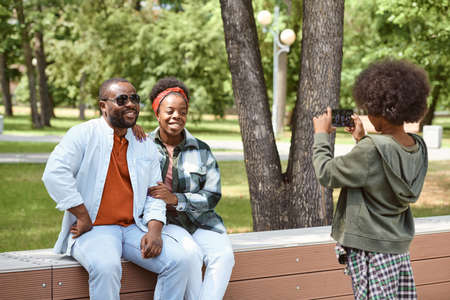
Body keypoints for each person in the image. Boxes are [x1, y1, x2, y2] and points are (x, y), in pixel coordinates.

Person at [42, 78, 189, 300]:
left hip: (133, 227)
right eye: (122, 99)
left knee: (180, 261)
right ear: (103, 105)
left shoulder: (143, 143)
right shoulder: (83, 134)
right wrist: (81, 214)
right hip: (94, 229)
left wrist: (155, 231)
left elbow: (155, 193)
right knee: (107, 266)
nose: (130, 104)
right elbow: (54, 173)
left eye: (134, 99)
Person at [312, 59, 430, 299]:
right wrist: (361, 139)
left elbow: (327, 173)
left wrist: (321, 136)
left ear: (381, 111)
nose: (366, 113)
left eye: (369, 108)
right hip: (396, 248)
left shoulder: (371, 150)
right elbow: (381, 172)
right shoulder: (417, 146)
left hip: (369, 248)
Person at [145, 77, 235, 300]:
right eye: (170, 110)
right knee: (192, 255)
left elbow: (212, 195)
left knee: (224, 256)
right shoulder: (143, 146)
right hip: (166, 223)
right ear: (157, 113)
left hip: (200, 220)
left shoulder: (201, 149)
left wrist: (176, 199)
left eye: (182, 111)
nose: (177, 115)